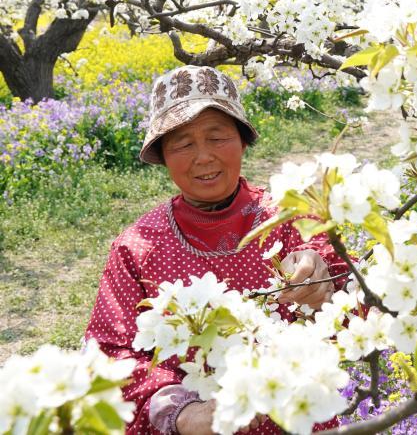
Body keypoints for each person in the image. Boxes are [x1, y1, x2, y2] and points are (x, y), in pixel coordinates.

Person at [85, 65, 346, 434]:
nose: (203, 157)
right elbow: (109, 354)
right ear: (162, 155)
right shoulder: (137, 247)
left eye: (217, 137)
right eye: (183, 143)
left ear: (242, 140)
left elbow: (353, 304)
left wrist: (324, 283)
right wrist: (180, 412)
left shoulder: (292, 218)